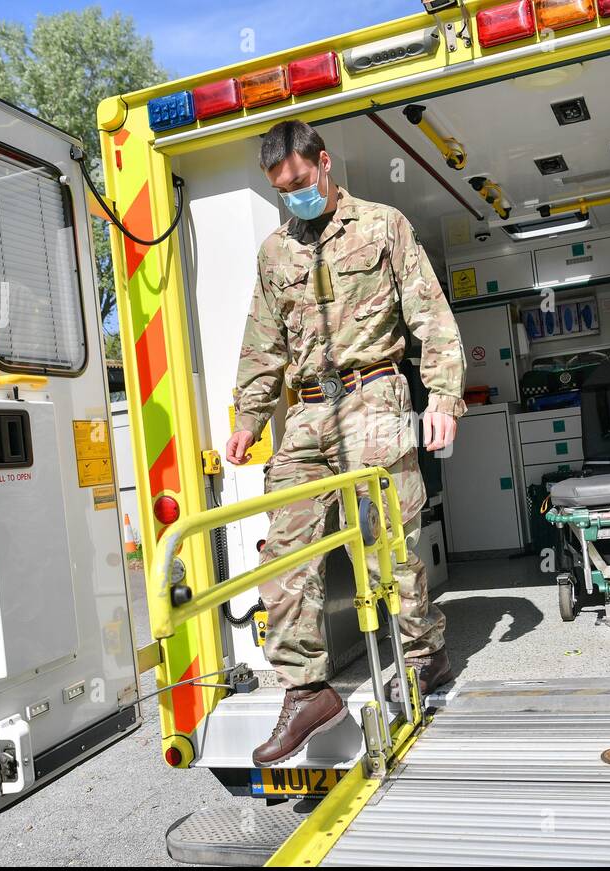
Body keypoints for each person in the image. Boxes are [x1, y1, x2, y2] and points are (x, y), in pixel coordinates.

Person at [227, 119, 466, 766]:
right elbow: (264, 340)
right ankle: (305, 689)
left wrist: (442, 396)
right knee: (281, 552)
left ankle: (424, 656)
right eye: (282, 190)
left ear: (324, 164)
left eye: (302, 183)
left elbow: (429, 315)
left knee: (392, 545)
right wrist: (249, 415)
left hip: (376, 398)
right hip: (305, 412)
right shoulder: (275, 253)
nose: (294, 197)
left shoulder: (383, 224)